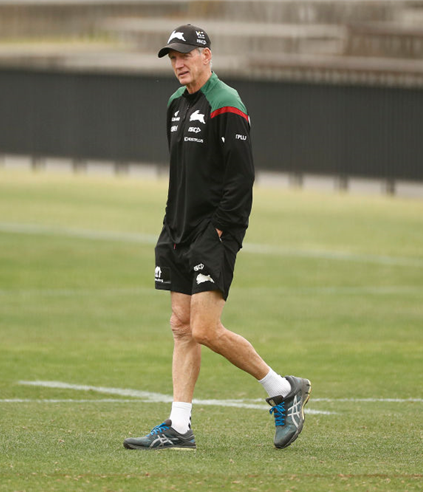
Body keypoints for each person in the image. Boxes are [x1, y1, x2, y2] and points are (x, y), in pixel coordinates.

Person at [123, 24, 311, 451]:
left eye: (185, 55)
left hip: (215, 233)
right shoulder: (174, 104)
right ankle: (180, 427)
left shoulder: (226, 104)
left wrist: (222, 230)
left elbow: (241, 178)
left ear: (207, 55)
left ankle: (283, 390)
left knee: (205, 328)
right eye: (172, 57)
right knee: (181, 327)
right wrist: (172, 227)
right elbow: (183, 176)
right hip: (177, 231)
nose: (177, 63)